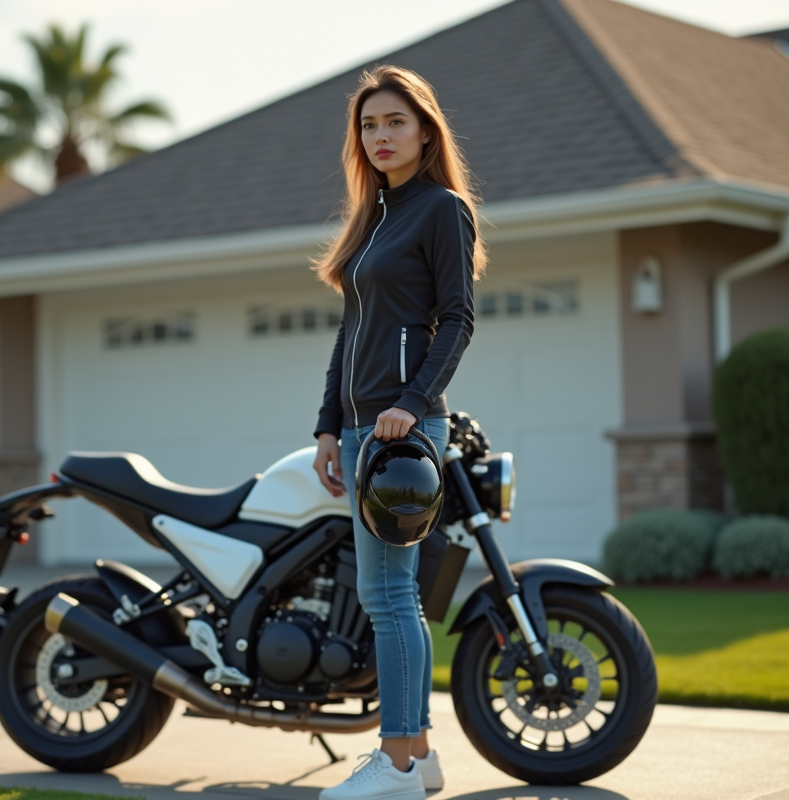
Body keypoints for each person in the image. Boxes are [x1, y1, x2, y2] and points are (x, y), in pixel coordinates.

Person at [311, 65, 485, 800]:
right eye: (368, 125)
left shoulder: (440, 209)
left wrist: (413, 404)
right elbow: (351, 334)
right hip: (360, 432)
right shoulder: (374, 218)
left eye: (393, 122)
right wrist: (327, 427)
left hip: (402, 432)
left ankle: (401, 763)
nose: (379, 136)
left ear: (424, 130)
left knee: (391, 597)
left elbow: (459, 319)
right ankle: (417, 754)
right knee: (389, 594)